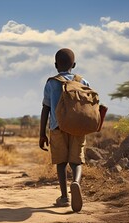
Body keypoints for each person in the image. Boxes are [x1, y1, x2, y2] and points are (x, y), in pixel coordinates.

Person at [39, 48, 89, 212]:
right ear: (74, 65)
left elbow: (45, 108)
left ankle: (64, 197)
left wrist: (42, 134)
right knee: (76, 161)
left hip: (57, 127)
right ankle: (76, 182)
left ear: (55, 65)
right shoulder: (83, 82)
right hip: (78, 128)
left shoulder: (51, 83)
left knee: (61, 163)